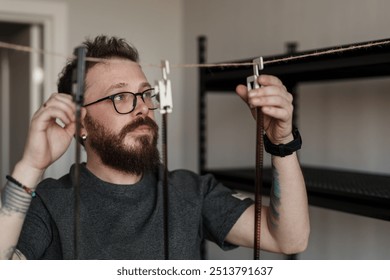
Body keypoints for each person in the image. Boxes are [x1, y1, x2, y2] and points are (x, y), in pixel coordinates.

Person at [0, 35, 309, 260]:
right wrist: (31, 165)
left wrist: (281, 141)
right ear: (80, 123)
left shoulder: (191, 192)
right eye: (119, 96)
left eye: (146, 94)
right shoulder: (49, 203)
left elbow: (289, 239)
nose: (142, 109)